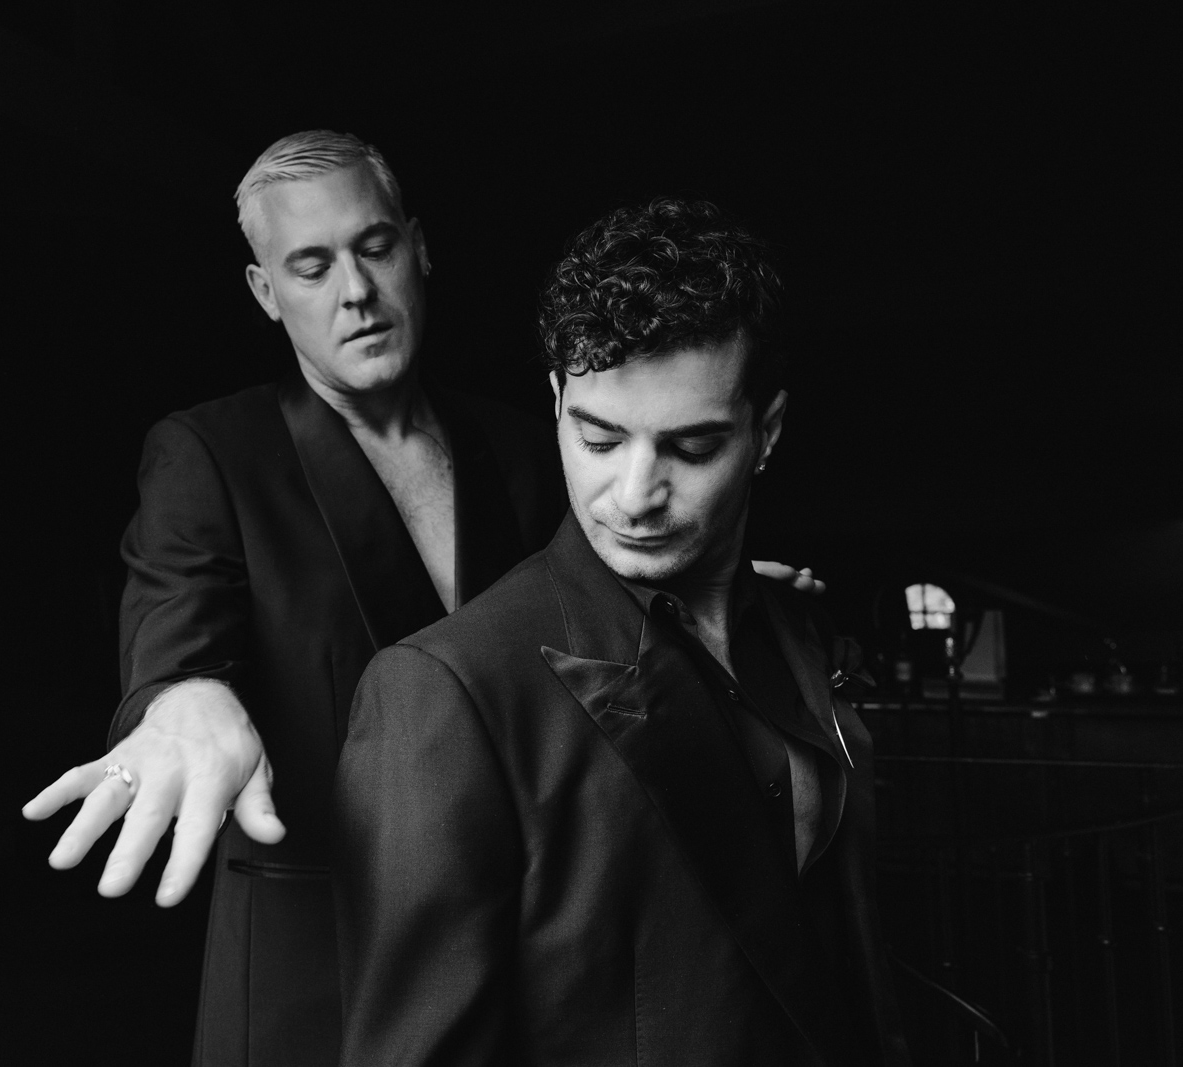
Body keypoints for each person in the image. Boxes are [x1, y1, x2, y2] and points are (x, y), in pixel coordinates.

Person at [22, 135, 825, 1066]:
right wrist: (179, 698)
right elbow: (177, 605)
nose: (355, 291)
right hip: (314, 961)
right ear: (264, 292)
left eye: (374, 248)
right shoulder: (211, 451)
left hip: (530, 953)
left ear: (419, 247)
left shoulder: (532, 445)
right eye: (310, 267)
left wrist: (708, 589)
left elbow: (586, 601)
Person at [333, 199, 910, 1066]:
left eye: (692, 447)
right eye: (599, 438)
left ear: (767, 434)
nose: (635, 494)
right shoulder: (444, 688)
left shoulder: (795, 632)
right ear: (558, 401)